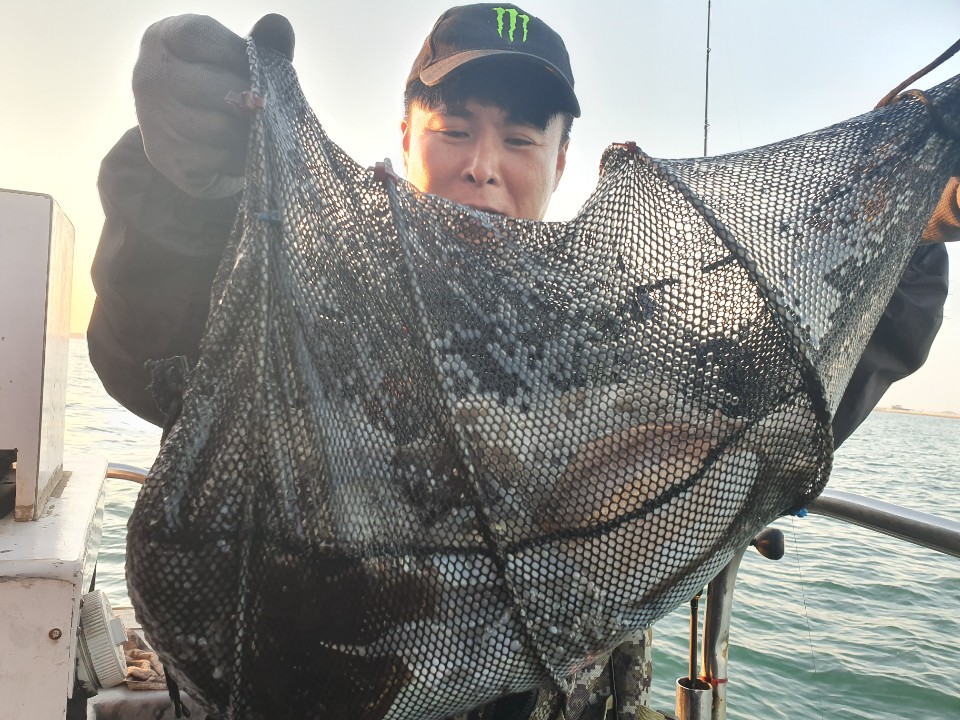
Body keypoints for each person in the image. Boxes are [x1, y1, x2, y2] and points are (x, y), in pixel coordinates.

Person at [86, 5, 957, 719]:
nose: (482, 166)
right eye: (455, 128)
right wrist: (185, 191)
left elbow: (781, 410)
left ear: (562, 159)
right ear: (406, 132)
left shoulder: (625, 340)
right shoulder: (317, 293)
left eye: (520, 139)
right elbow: (155, 348)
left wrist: (907, 236)